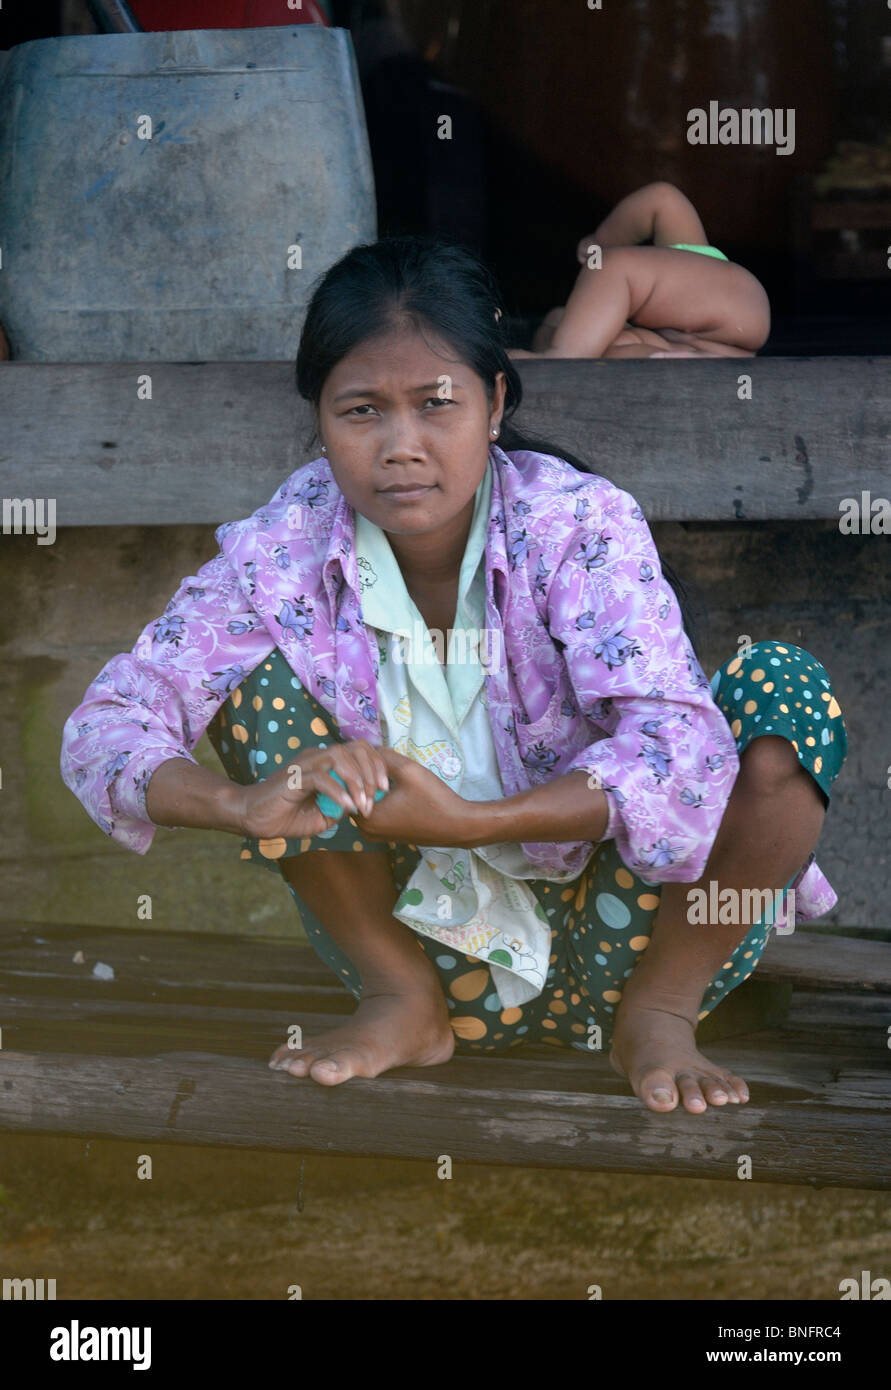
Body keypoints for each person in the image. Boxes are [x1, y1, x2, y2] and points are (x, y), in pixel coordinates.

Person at [59, 235, 846, 1116]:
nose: (401, 446)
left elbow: (678, 753)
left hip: (632, 942)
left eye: (437, 404)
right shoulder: (279, 551)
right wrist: (239, 805)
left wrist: (475, 822)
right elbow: (109, 723)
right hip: (436, 948)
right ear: (317, 418)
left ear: (495, 402)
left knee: (782, 688)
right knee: (256, 685)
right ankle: (400, 1002)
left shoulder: (572, 523)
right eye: (361, 411)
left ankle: (662, 1016)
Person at [510, 181, 771, 360]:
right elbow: (664, 197)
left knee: (610, 265)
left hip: (736, 303)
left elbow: (663, 199)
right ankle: (564, 354)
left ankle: (561, 357)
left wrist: (600, 241)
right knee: (609, 355)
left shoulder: (690, 262)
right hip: (709, 350)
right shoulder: (647, 328)